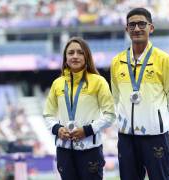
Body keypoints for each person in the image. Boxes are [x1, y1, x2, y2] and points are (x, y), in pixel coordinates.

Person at [110, 8, 169, 180]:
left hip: (155, 137)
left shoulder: (164, 59)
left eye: (142, 24)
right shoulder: (117, 61)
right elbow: (115, 98)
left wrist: (163, 124)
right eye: (132, 25)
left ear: (151, 28)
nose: (137, 28)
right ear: (126, 29)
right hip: (126, 137)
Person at [43, 37, 115, 180]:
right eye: (70, 53)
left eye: (80, 52)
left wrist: (87, 130)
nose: (75, 56)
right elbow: (48, 115)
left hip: (90, 149)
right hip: (64, 149)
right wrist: (57, 129)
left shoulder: (98, 82)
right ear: (65, 57)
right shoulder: (57, 83)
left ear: (86, 56)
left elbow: (110, 115)